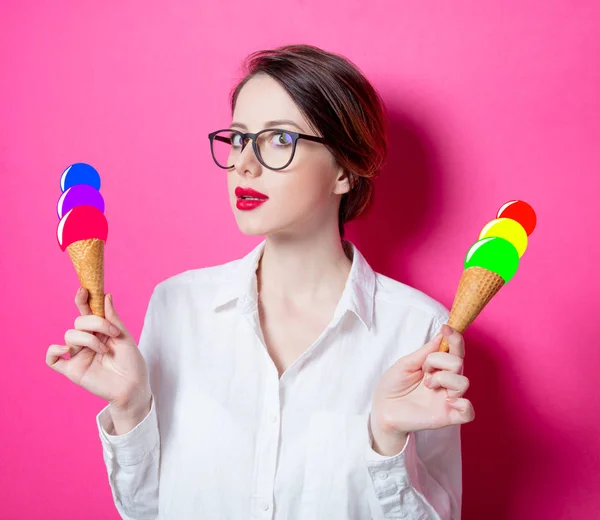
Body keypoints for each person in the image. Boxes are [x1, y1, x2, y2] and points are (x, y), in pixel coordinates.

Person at [46, 44, 474, 520]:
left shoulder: (417, 330)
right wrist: (130, 407)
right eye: (238, 138)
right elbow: (148, 510)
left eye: (279, 140)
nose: (243, 165)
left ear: (345, 171)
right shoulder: (177, 305)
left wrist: (387, 442)